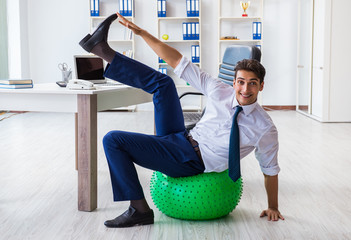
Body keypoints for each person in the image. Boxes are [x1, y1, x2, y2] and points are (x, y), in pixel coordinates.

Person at [79, 13, 284, 228]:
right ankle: (101, 49)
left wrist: (273, 206)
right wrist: (142, 33)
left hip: (191, 160)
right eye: (241, 82)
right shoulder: (219, 91)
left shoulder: (265, 127)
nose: (245, 89)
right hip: (183, 137)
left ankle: (138, 210)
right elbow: (177, 61)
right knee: (164, 83)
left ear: (261, 86)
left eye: (252, 83)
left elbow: (270, 169)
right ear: (233, 82)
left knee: (113, 140)